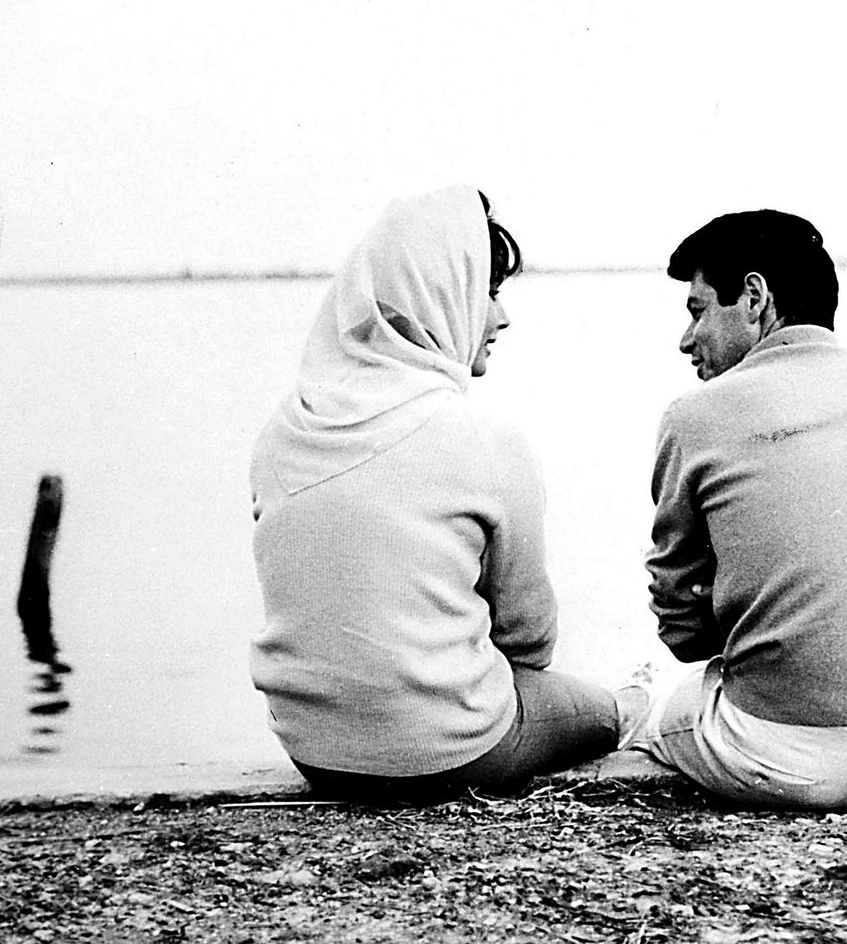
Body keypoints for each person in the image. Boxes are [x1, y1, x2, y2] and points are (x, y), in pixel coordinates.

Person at [249, 184, 642, 804]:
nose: (500, 317)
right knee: (602, 710)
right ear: (441, 293)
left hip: (314, 753)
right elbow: (529, 641)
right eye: (488, 292)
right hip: (450, 754)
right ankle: (635, 706)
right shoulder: (483, 439)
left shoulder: (284, 431)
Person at [630, 209, 847, 810]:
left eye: (697, 311)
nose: (687, 340)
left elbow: (683, 629)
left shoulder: (697, 415)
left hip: (775, 755)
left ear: (753, 296)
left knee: (647, 704)